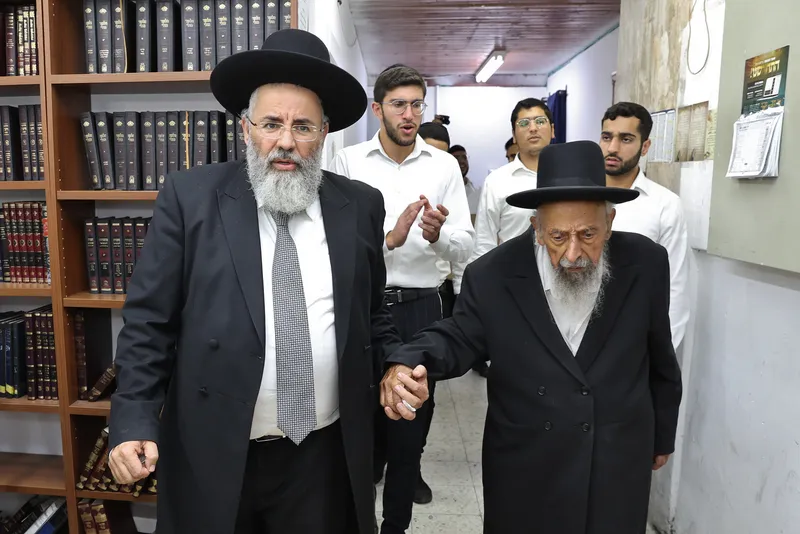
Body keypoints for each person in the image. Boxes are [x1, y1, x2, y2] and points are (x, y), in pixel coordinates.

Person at [106, 29, 428, 534]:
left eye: (303, 126)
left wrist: (394, 364)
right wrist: (133, 420)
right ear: (245, 128)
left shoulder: (360, 206)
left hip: (322, 457)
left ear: (324, 133)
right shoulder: (190, 199)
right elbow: (149, 324)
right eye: (271, 124)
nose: (285, 142)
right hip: (215, 453)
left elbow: (372, 315)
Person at [384, 140, 683, 533]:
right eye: (558, 236)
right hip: (527, 462)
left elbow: (660, 354)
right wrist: (409, 360)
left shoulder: (646, 262)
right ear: (536, 229)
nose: (573, 253)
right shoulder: (493, 274)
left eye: (588, 234)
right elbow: (459, 335)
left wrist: (662, 435)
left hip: (615, 457)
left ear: (610, 223)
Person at [332, 64, 474, 534]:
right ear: (378, 109)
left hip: (421, 308)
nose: (409, 114)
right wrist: (388, 240)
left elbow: (465, 246)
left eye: (417, 104)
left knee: (410, 429)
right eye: (398, 104)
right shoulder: (348, 163)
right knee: (358, 423)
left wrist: (437, 236)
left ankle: (396, 526)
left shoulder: (443, 166)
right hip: (363, 307)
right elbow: (334, 246)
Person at [600, 102, 690, 348]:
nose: (613, 148)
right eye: (606, 137)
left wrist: (662, 354)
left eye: (626, 139)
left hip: (634, 340)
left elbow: (675, 287)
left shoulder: (664, 205)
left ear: (645, 146)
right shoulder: (577, 199)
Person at [471, 98, 554, 262]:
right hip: (513, 272)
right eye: (524, 123)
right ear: (514, 135)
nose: (533, 128)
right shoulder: (496, 181)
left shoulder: (570, 175)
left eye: (540, 121)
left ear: (552, 130)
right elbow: (483, 243)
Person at [448, 144, 480, 223]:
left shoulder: (477, 191)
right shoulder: (444, 190)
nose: (462, 161)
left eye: (464, 158)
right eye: (456, 158)